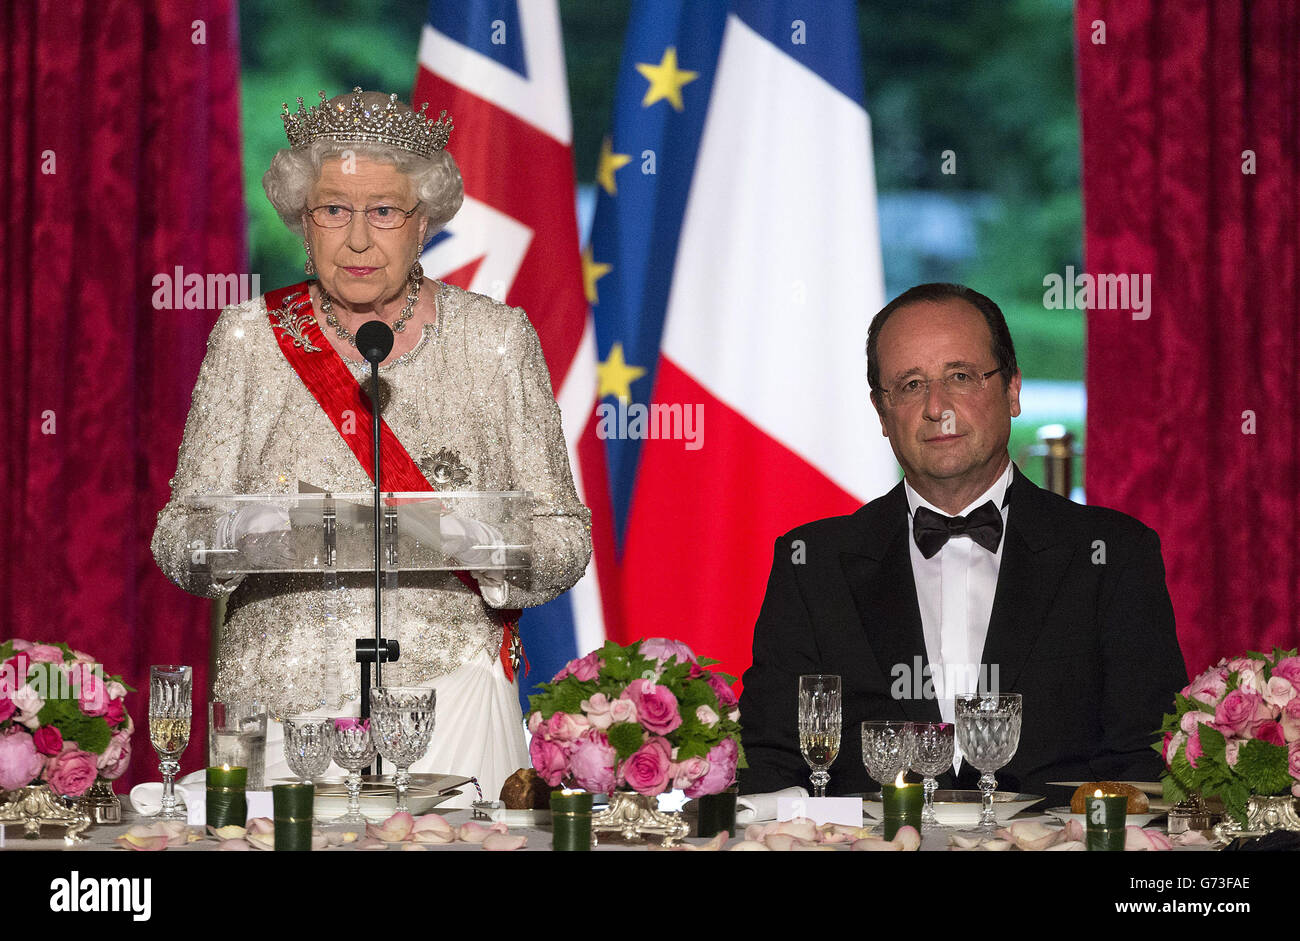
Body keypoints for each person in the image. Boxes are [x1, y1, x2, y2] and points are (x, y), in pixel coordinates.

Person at [151, 89, 592, 804]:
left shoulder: (496, 340)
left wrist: (474, 540)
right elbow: (176, 538)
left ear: (424, 224)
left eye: (384, 211)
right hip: (281, 718)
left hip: (450, 706)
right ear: (303, 218)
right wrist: (247, 535)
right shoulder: (247, 340)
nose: (358, 239)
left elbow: (564, 540)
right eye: (334, 209)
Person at [737, 283, 1186, 803]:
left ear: (1012, 390)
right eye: (909, 385)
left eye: (960, 376)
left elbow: (1144, 759)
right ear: (882, 414)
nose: (936, 407)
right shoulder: (812, 563)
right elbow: (773, 766)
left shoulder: (1113, 554)